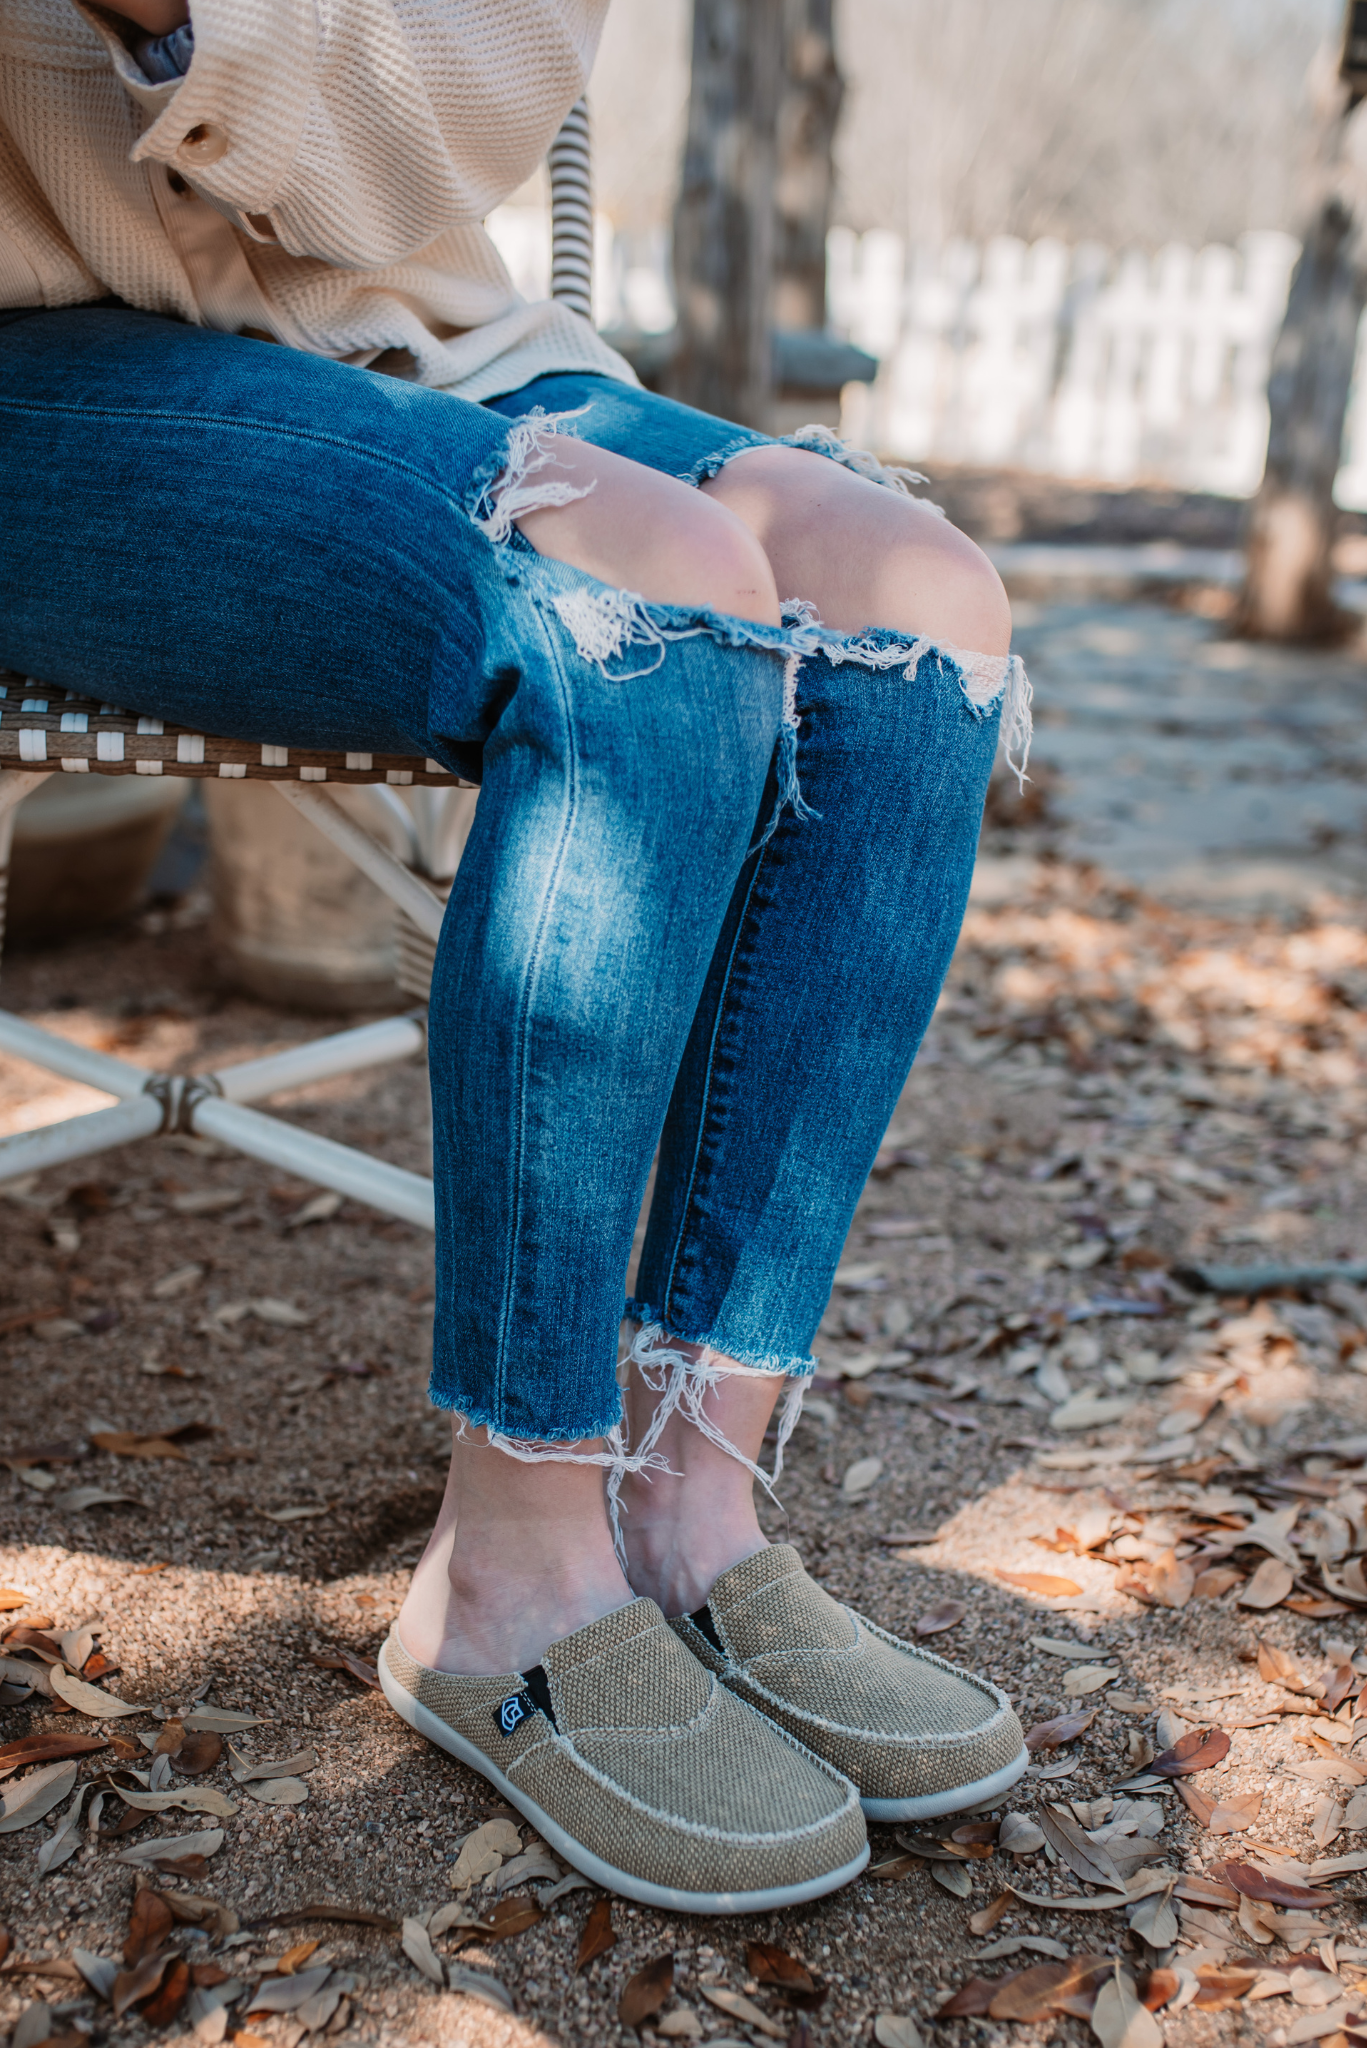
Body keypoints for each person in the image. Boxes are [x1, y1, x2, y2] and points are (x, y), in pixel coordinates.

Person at [0, 0, 1031, 1914]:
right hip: (31, 361)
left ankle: (684, 1490)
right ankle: (510, 1567)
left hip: (423, 344)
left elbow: (447, 113)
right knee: (629, 585)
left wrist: (175, 24)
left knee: (915, 606)